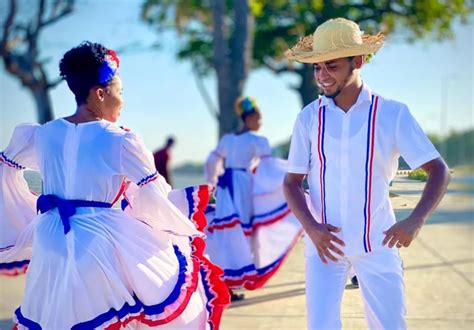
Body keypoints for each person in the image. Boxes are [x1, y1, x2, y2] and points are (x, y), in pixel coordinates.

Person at [0, 41, 229, 329]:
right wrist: (183, 222)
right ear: (99, 93)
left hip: (49, 238)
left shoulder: (42, 134)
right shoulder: (120, 140)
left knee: (55, 318)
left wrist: (23, 209)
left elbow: (5, 169)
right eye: (119, 92)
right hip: (98, 242)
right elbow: (153, 198)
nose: (122, 101)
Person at [283, 18, 450, 329]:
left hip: (378, 245)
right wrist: (311, 227)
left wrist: (415, 219)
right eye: (317, 68)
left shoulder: (392, 113)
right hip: (324, 248)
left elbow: (438, 170)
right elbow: (291, 182)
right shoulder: (308, 117)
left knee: (390, 326)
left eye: (331, 66)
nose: (323, 76)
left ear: (356, 61)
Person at [204, 96, 303, 301]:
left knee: (228, 233)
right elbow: (267, 167)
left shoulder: (228, 140)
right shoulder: (257, 141)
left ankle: (224, 284)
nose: (259, 123)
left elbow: (213, 160)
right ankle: (229, 283)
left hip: (226, 185)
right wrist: (288, 178)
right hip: (241, 184)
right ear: (248, 118)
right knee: (241, 231)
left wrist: (212, 181)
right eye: (257, 118)